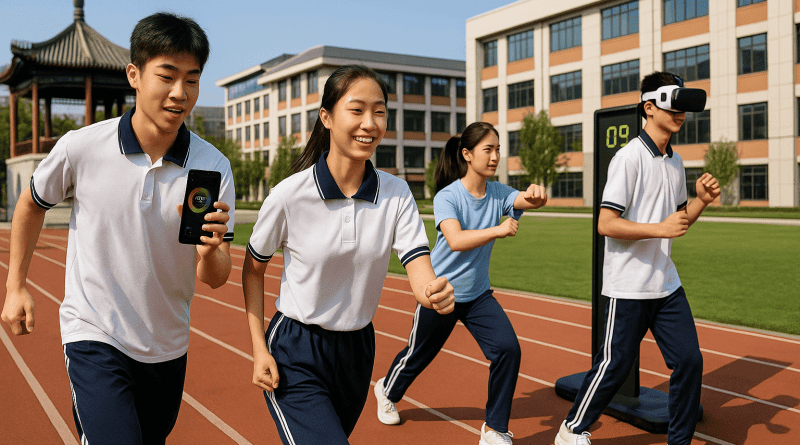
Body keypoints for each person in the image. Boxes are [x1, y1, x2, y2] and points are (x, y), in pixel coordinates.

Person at [1, 12, 234, 445]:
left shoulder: (212, 167)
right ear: (134, 75)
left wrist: (210, 251)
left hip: (166, 345)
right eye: (167, 76)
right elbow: (32, 203)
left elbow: (216, 278)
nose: (180, 93)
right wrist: (16, 285)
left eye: (192, 80)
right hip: (94, 334)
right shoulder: (82, 147)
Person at [241, 64, 456, 445]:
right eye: (356, 110)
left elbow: (419, 269)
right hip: (296, 348)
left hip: (358, 350)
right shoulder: (290, 195)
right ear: (326, 117)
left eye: (379, 111)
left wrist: (433, 292)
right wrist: (259, 348)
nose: (370, 123)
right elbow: (254, 269)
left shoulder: (396, 193)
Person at [553, 72, 720, 445]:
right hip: (627, 286)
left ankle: (679, 442)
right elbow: (606, 223)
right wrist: (658, 229)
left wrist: (701, 202)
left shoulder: (675, 163)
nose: (680, 113)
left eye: (683, 108)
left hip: (666, 284)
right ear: (649, 107)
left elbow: (678, 221)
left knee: (690, 361)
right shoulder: (627, 159)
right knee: (613, 367)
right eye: (672, 105)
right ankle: (572, 430)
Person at [373, 122, 548, 445]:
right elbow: (454, 239)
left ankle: (495, 430)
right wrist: (497, 230)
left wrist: (537, 195)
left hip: (478, 294)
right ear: (467, 155)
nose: (495, 156)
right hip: (440, 292)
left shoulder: (499, 192)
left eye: (497, 149)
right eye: (488, 150)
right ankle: (387, 389)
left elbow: (525, 201)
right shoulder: (447, 196)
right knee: (418, 356)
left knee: (508, 349)